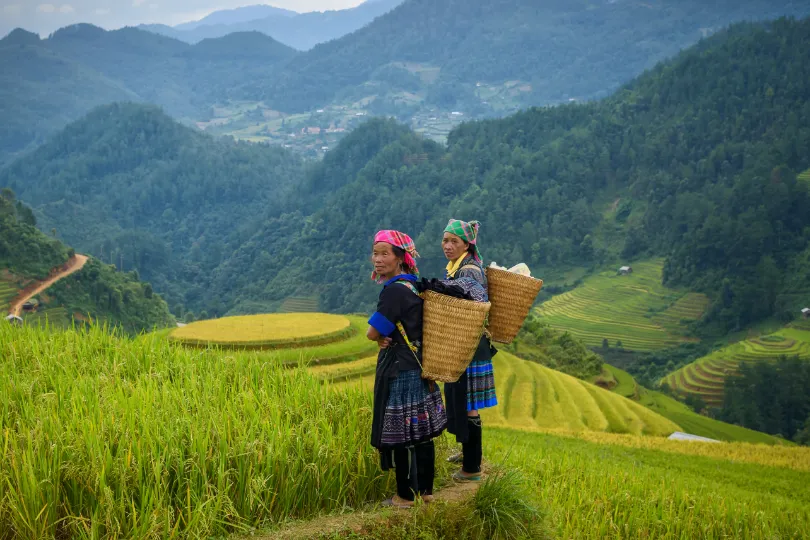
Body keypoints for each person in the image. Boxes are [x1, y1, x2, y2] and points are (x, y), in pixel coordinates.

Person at [367, 230, 447, 507]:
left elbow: (372, 331)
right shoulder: (413, 285)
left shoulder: (393, 292)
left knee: (401, 435)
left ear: (400, 258)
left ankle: (404, 496)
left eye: (384, 254)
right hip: (419, 367)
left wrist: (379, 337)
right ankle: (425, 492)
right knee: (422, 434)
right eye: (375, 253)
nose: (377, 259)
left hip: (401, 371)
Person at [442, 219, 497, 481]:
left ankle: (471, 468)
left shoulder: (469, 271)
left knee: (469, 405)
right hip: (464, 345)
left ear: (466, 244)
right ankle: (467, 452)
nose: (448, 246)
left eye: (454, 241)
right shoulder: (457, 267)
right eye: (445, 240)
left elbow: (472, 311)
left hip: (471, 347)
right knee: (463, 401)